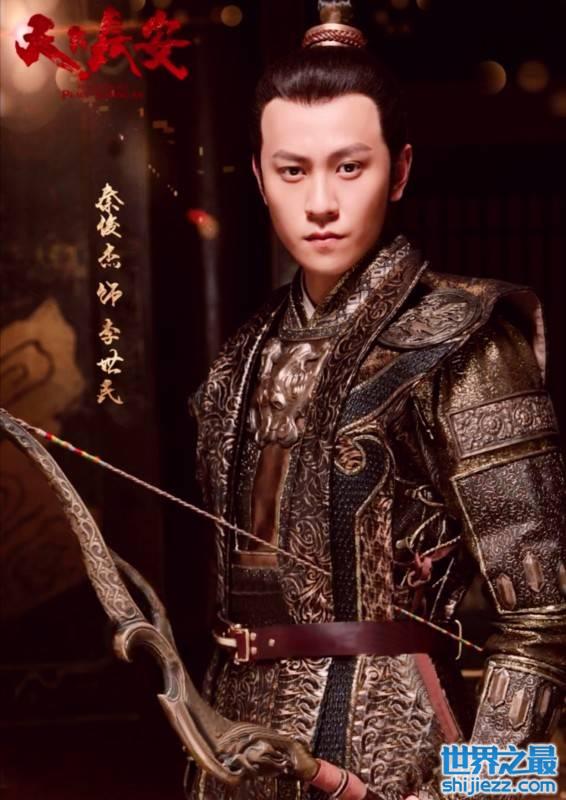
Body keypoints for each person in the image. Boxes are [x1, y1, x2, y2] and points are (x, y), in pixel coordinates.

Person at [188, 1, 566, 798]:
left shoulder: (467, 341)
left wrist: (477, 788)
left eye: (349, 167)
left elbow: (544, 622)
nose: (320, 202)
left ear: (399, 171)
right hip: (238, 755)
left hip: (404, 758)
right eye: (293, 170)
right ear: (258, 177)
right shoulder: (240, 358)